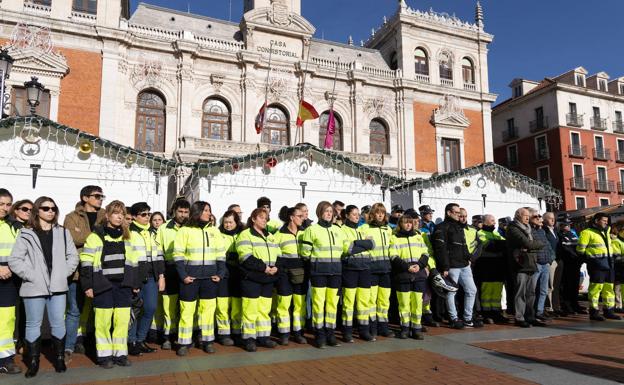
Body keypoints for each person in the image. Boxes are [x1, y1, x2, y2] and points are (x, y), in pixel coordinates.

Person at [9, 197, 79, 377]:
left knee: (58, 323)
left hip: (58, 286)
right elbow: (15, 260)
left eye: (53, 208)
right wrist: (31, 276)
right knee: (33, 325)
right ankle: (33, 362)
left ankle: (60, 358)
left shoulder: (63, 232)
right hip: (33, 287)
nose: (50, 211)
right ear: (37, 211)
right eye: (46, 208)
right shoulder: (26, 233)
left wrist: (63, 273)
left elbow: (73, 257)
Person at [80, 200, 140, 368]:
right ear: (107, 215)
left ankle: (120, 354)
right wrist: (88, 285)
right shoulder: (95, 236)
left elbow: (134, 262)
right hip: (102, 285)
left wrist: (135, 283)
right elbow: (86, 263)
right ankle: (104, 356)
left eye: (122, 214)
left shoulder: (128, 236)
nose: (119, 216)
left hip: (123, 286)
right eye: (115, 213)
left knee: (121, 322)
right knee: (103, 322)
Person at [174, 201, 226, 356]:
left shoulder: (214, 231)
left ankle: (207, 341)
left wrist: (220, 273)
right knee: (187, 311)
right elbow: (178, 255)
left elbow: (221, 254)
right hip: (190, 279)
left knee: (208, 311)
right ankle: (184, 343)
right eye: (205, 210)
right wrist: (183, 276)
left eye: (209, 210)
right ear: (197, 212)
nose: (209, 213)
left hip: (210, 279)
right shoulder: (185, 231)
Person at [63, 185, 106, 360]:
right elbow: (71, 238)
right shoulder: (71, 217)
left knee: (101, 310)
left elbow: (113, 234)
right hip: (77, 272)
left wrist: (84, 234)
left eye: (102, 195)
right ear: (85, 198)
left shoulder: (105, 214)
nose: (100, 198)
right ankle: (68, 348)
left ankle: (99, 346)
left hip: (101, 271)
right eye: (96, 196)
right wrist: (97, 233)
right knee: (74, 310)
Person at [300, 201, 347, 348]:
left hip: (336, 272)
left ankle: (330, 334)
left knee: (332, 304)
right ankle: (319, 335)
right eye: (326, 211)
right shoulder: (311, 230)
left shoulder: (338, 230)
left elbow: (346, 249)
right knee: (318, 304)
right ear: (319, 212)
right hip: (318, 273)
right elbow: (305, 253)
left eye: (330, 211)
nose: (329, 214)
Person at [236, 208, 281, 352]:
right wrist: (264, 268)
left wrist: (276, 267)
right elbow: (245, 257)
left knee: (264, 310)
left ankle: (263, 337)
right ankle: (249, 339)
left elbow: (278, 255)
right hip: (252, 279)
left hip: (267, 279)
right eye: (261, 217)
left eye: (266, 218)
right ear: (253, 219)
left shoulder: (271, 236)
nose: (264, 220)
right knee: (250, 310)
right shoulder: (245, 235)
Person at [431, 203, 479, 329]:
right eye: (456, 212)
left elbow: (463, 246)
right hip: (452, 266)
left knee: (472, 290)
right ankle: (454, 318)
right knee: (451, 292)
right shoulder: (441, 227)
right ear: (449, 213)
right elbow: (440, 249)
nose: (459, 215)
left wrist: (469, 258)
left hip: (464, 265)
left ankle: (468, 318)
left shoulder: (459, 227)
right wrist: (445, 267)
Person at [127, 202, 165, 356]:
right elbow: (128, 259)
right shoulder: (128, 233)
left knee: (150, 308)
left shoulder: (152, 233)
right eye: (143, 214)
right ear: (135, 216)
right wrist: (132, 281)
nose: (147, 217)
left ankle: (141, 339)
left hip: (151, 278)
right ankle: (132, 341)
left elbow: (159, 255)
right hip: (136, 277)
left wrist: (161, 276)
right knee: (135, 311)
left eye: (148, 214)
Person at [155, 198, 190, 349]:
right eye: (180, 212)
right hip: (170, 269)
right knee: (169, 306)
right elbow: (158, 252)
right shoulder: (163, 228)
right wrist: (161, 274)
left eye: (186, 212)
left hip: (188, 270)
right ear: (174, 211)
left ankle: (188, 335)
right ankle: (168, 336)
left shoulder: (192, 228)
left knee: (187, 306)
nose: (183, 215)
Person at [390, 212, 429, 340]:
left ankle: (416, 329)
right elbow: (393, 256)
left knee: (417, 303)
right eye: (405, 222)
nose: (408, 225)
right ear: (400, 224)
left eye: (410, 222)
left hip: (418, 274)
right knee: (404, 303)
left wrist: (419, 265)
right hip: (403, 274)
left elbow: (425, 253)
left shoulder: (418, 237)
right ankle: (405, 328)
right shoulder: (394, 238)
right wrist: (406, 267)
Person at [340, 205, 375, 342]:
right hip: (350, 269)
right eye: (354, 214)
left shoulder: (362, 229)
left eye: (358, 214)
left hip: (365, 268)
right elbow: (347, 249)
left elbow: (372, 245)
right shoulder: (342, 230)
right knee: (349, 303)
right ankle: (347, 332)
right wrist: (362, 244)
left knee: (363, 302)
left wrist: (356, 243)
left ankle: (364, 331)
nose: (357, 216)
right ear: (347, 215)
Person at [273, 206, 308, 345]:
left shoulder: (305, 233)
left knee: (300, 305)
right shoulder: (278, 235)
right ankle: (284, 333)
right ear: (291, 217)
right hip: (285, 275)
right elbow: (275, 257)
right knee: (283, 304)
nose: (302, 218)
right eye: (299, 216)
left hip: (301, 274)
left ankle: (299, 333)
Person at [577, 213, 621, 321]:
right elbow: (580, 250)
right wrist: (591, 260)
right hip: (597, 265)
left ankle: (609, 311)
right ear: (596, 221)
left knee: (609, 289)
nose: (606, 222)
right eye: (604, 220)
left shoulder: (607, 231)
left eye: (607, 220)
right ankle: (594, 312)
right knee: (595, 290)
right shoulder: (587, 233)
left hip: (609, 264)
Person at [359, 203, 394, 337]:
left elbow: (391, 248)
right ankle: (372, 327)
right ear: (372, 214)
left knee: (384, 300)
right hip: (371, 269)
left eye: (383, 213)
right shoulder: (364, 228)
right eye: (378, 212)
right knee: (371, 301)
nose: (380, 215)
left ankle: (383, 327)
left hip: (385, 269)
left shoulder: (388, 229)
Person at [505, 208, 545, 328]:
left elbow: (540, 242)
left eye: (528, 216)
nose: (527, 218)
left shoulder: (529, 229)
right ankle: (519, 317)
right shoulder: (513, 228)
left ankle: (530, 316)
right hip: (520, 265)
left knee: (531, 293)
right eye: (525, 216)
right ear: (518, 216)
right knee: (520, 293)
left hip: (531, 263)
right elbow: (527, 243)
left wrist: (531, 246)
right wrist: (531, 246)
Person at [0, 189, 21, 375]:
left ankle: (6, 360)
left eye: (8, 205)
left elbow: (20, 253)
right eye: (1, 204)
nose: (5, 208)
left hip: (8, 280)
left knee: (6, 321)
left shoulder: (14, 225)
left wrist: (10, 268)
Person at [7, 199, 32, 356]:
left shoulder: (30, 228)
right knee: (11, 313)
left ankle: (22, 342)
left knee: (25, 311)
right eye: (24, 209)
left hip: (25, 275)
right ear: (15, 210)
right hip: (10, 275)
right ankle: (13, 343)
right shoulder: (9, 227)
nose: (28, 212)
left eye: (30, 209)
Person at [475, 214, 508, 324]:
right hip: (486, 266)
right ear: (485, 222)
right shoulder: (480, 233)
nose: (495, 222)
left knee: (497, 290)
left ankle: (496, 312)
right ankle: (486, 314)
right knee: (487, 291)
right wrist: (499, 244)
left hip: (497, 266)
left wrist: (499, 244)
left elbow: (505, 244)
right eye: (492, 220)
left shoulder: (495, 233)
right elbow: (489, 246)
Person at [217, 210, 244, 346]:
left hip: (238, 273)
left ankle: (237, 331)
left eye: (230, 222)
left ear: (236, 222)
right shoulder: (218, 234)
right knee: (223, 304)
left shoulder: (242, 234)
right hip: (224, 273)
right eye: (225, 222)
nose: (227, 225)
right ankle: (223, 333)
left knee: (237, 305)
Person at [558, 217, 585, 315]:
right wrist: (575, 257)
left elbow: (578, 247)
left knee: (575, 286)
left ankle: (575, 304)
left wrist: (580, 259)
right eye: (566, 225)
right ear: (561, 225)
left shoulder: (573, 234)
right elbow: (566, 249)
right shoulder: (560, 235)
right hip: (567, 264)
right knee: (567, 286)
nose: (568, 226)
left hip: (576, 264)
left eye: (569, 224)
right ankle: (567, 306)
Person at [530, 212, 554, 323]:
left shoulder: (542, 231)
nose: (539, 218)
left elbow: (548, 246)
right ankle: (532, 312)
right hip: (537, 264)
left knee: (544, 290)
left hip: (545, 264)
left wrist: (550, 259)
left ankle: (540, 311)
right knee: (532, 289)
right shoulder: (529, 230)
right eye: (536, 217)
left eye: (540, 217)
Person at [543, 212, 563, 316]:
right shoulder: (543, 231)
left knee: (556, 284)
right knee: (550, 285)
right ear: (545, 219)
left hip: (558, 260)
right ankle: (549, 307)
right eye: (550, 218)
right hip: (550, 260)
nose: (553, 220)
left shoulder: (555, 230)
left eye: (553, 218)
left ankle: (556, 306)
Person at [610, 220, 624, 313]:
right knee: (618, 287)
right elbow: (617, 256)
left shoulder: (620, 240)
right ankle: (618, 306)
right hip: (619, 267)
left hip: (621, 267)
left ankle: (620, 305)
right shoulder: (616, 241)